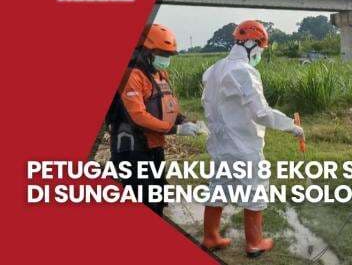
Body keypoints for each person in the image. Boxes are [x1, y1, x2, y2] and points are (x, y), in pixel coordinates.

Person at [201, 20, 304, 258]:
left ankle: (211, 237)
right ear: (251, 44)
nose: (259, 53)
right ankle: (255, 243)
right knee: (255, 190)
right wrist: (291, 126)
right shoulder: (245, 71)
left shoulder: (215, 69)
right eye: (260, 48)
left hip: (220, 145)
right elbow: (261, 113)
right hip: (243, 145)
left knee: (218, 188)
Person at [107, 23, 201, 216]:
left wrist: (183, 120)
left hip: (153, 146)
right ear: (145, 51)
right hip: (132, 149)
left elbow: (165, 105)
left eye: (168, 55)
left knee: (158, 196)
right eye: (161, 53)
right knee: (145, 198)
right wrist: (175, 130)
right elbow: (138, 116)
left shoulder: (158, 73)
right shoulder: (131, 75)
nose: (165, 59)